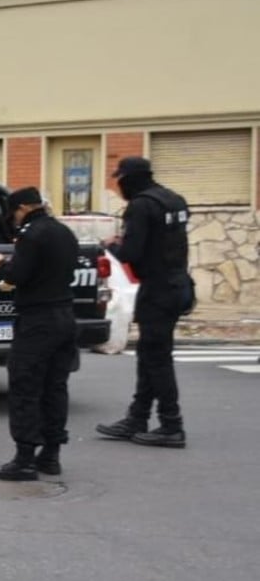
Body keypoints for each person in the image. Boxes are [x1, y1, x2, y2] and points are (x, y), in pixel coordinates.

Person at [0, 187, 80, 481]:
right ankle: (51, 455)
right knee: (55, 387)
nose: (13, 219)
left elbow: (17, 274)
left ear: (23, 208)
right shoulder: (64, 232)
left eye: (14, 212)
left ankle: (24, 458)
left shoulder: (31, 234)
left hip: (38, 319)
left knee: (25, 387)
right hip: (65, 316)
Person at [97, 157, 192, 448]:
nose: (119, 185)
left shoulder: (141, 206)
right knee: (151, 355)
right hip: (178, 284)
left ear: (130, 179)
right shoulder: (174, 200)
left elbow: (131, 253)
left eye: (120, 179)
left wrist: (112, 244)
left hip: (158, 289)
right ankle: (137, 418)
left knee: (157, 359)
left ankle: (171, 424)